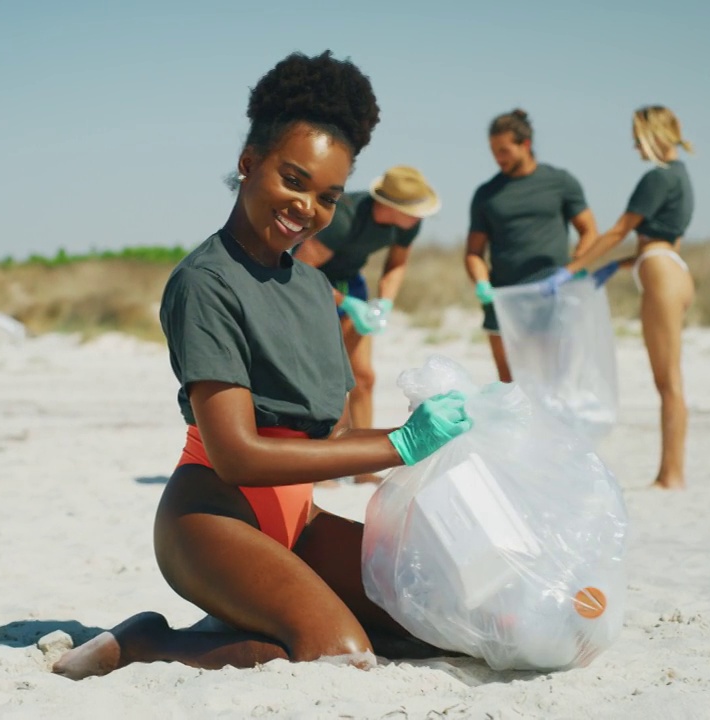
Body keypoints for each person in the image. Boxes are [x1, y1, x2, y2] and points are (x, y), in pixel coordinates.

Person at [52, 50, 472, 679]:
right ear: (249, 164)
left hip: (296, 521)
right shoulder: (205, 283)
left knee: (439, 620)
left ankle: (257, 613)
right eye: (293, 180)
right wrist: (399, 445)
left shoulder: (311, 286)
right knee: (340, 654)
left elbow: (326, 439)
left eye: (327, 196)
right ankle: (142, 642)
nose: (308, 207)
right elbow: (238, 456)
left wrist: (431, 430)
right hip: (211, 522)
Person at [566, 106, 695, 489]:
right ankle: (670, 472)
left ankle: (672, 475)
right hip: (669, 268)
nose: (634, 146)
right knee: (670, 381)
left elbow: (619, 230)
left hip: (658, 271)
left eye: (637, 138)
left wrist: (573, 269)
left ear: (653, 135)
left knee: (668, 383)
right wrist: (609, 269)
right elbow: (661, 242)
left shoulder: (657, 178)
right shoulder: (682, 178)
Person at [294, 165, 440, 484]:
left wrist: (384, 302)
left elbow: (396, 265)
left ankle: (361, 468)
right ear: (390, 207)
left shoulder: (407, 226)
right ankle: (322, 464)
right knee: (327, 378)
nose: (420, 217)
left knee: (363, 376)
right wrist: (345, 304)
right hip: (311, 287)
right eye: (414, 210)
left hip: (352, 284)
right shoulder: (342, 217)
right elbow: (300, 270)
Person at [463, 109, 599, 382]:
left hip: (549, 295)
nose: (497, 158)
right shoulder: (486, 194)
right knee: (509, 384)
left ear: (525, 145)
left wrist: (572, 270)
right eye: (493, 150)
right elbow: (474, 253)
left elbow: (589, 232)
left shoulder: (560, 182)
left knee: (547, 378)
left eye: (504, 150)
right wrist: (481, 283)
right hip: (501, 299)